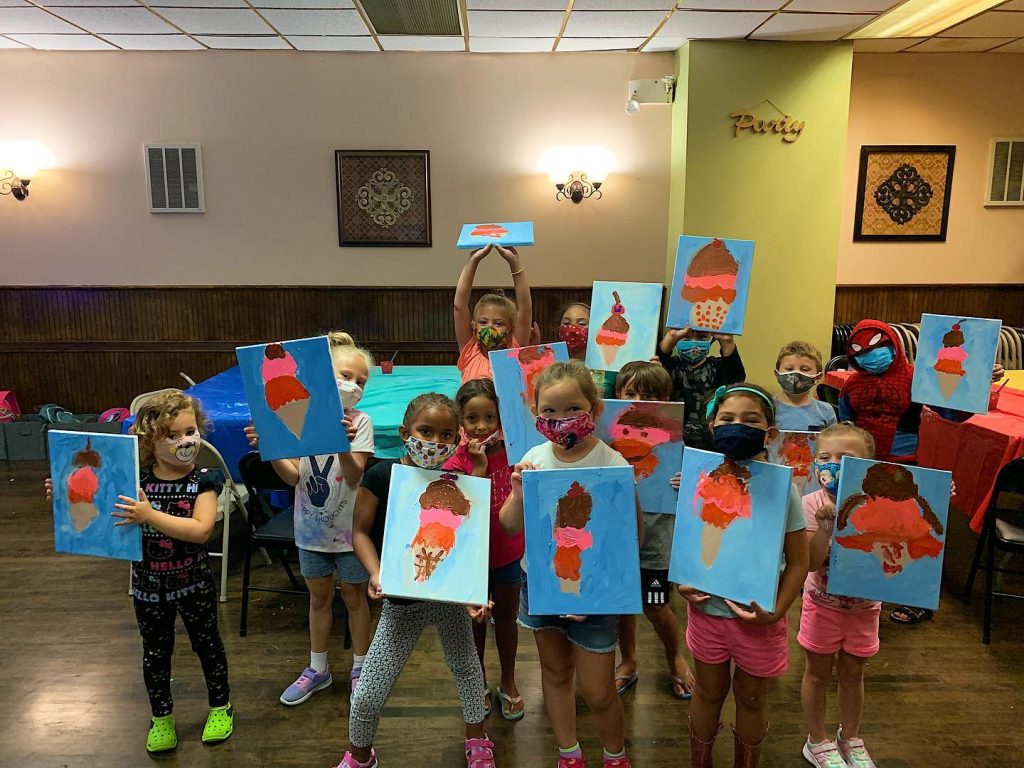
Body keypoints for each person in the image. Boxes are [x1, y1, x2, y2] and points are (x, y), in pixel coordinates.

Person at [43, 392, 233, 752]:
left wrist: (149, 516)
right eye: (172, 435)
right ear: (149, 441)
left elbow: (201, 529)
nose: (186, 441)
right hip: (147, 587)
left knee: (207, 647)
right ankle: (161, 717)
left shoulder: (206, 480)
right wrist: (63, 491)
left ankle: (220, 706)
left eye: (191, 431)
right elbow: (95, 501)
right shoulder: (133, 480)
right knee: (155, 653)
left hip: (194, 584)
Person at [337, 393, 497, 768]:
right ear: (404, 432)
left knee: (468, 671)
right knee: (369, 692)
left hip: (449, 598)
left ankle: (477, 738)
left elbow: (470, 544)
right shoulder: (382, 475)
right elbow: (358, 531)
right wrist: (375, 572)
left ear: (456, 438)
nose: (435, 443)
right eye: (426, 431)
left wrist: (476, 592)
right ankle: (360, 756)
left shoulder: (458, 479)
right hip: (400, 601)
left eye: (446, 435)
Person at [500, 360, 640, 768]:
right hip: (541, 585)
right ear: (536, 414)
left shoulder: (612, 463)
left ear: (594, 410)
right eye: (549, 411)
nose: (560, 420)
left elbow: (631, 539)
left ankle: (615, 756)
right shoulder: (534, 459)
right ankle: (569, 754)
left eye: (572, 409)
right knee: (555, 674)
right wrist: (517, 491)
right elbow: (510, 526)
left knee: (597, 690)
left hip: (596, 594)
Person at [678, 383, 809, 768]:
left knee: (752, 698)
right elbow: (687, 542)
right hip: (707, 614)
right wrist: (683, 580)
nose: (738, 426)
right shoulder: (698, 479)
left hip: (759, 618)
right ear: (712, 424)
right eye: (728, 418)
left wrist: (777, 610)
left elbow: (799, 561)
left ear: (770, 432)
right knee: (708, 692)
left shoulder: (784, 490)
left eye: (751, 420)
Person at [838, 319, 1003, 623]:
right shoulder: (851, 385)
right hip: (864, 465)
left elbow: (953, 410)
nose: (870, 356)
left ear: (894, 346)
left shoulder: (916, 378)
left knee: (911, 527)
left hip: (905, 463)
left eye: (878, 348)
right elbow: (844, 425)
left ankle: (913, 597)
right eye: (860, 351)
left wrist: (977, 383)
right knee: (866, 526)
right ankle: (859, 587)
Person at [244, 332, 375, 706]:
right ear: (321, 377)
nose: (353, 386)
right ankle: (318, 668)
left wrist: (342, 442)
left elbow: (354, 476)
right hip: (311, 530)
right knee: (318, 599)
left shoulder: (360, 422)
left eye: (360, 381)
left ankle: (361, 667)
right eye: (346, 375)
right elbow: (295, 477)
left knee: (354, 596)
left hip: (351, 533)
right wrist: (269, 447)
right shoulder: (299, 419)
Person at [608, 361, 695, 701]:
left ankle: (674, 656)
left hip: (655, 543)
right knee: (621, 604)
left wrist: (686, 482)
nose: (639, 400)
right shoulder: (607, 438)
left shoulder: (676, 443)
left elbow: (700, 487)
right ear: (618, 396)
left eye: (650, 396)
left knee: (655, 604)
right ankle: (627, 662)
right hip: (617, 537)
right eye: (631, 394)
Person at [798, 423, 881, 768]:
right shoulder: (809, 503)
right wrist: (826, 526)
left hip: (865, 608)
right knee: (817, 674)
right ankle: (816, 740)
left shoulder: (882, 503)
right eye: (824, 457)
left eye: (844, 458)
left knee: (853, 674)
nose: (832, 465)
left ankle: (851, 738)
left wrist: (935, 493)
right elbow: (811, 563)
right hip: (822, 605)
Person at [443, 378, 525, 720]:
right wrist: (477, 470)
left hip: (508, 554)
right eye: (473, 418)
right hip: (471, 561)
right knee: (474, 625)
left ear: (501, 419)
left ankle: (509, 680)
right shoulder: (454, 462)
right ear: (461, 421)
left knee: (506, 619)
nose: (481, 426)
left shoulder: (516, 453)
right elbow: (458, 515)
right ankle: (477, 683)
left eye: (489, 417)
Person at [454, 244, 533, 383]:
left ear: (510, 329)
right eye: (483, 322)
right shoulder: (470, 350)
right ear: (473, 325)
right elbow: (459, 307)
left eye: (498, 323)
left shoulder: (514, 350)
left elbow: (525, 310)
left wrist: (515, 264)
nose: (489, 327)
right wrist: (473, 262)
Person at [657, 326, 744, 449]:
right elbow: (654, 370)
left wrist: (727, 342)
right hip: (672, 441)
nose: (693, 343)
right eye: (686, 338)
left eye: (702, 337)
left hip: (709, 443)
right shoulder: (670, 366)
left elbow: (736, 378)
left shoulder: (717, 367)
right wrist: (671, 337)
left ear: (711, 339)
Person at [773, 341, 838, 432]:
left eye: (805, 369)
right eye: (789, 369)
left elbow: (833, 443)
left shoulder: (825, 411)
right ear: (777, 374)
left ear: (817, 377)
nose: (796, 373)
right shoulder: (768, 409)